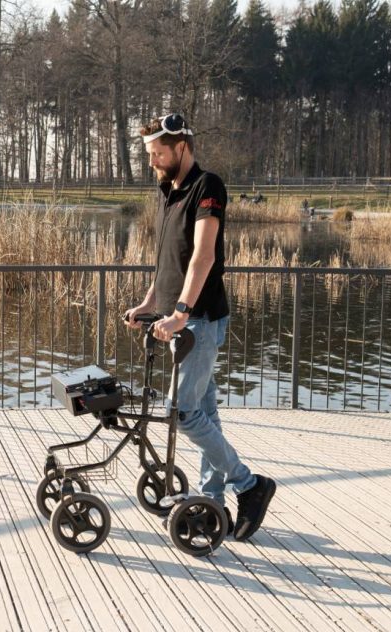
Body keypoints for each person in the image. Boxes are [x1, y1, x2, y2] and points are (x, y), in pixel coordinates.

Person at [123, 113, 276, 542]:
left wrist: (182, 312)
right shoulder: (166, 190)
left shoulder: (208, 187)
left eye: (159, 153)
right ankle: (214, 502)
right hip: (178, 318)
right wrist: (152, 303)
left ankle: (249, 484)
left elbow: (202, 257)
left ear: (182, 146)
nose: (153, 160)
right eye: (150, 154)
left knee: (183, 413)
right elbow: (168, 258)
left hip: (201, 320)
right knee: (205, 413)